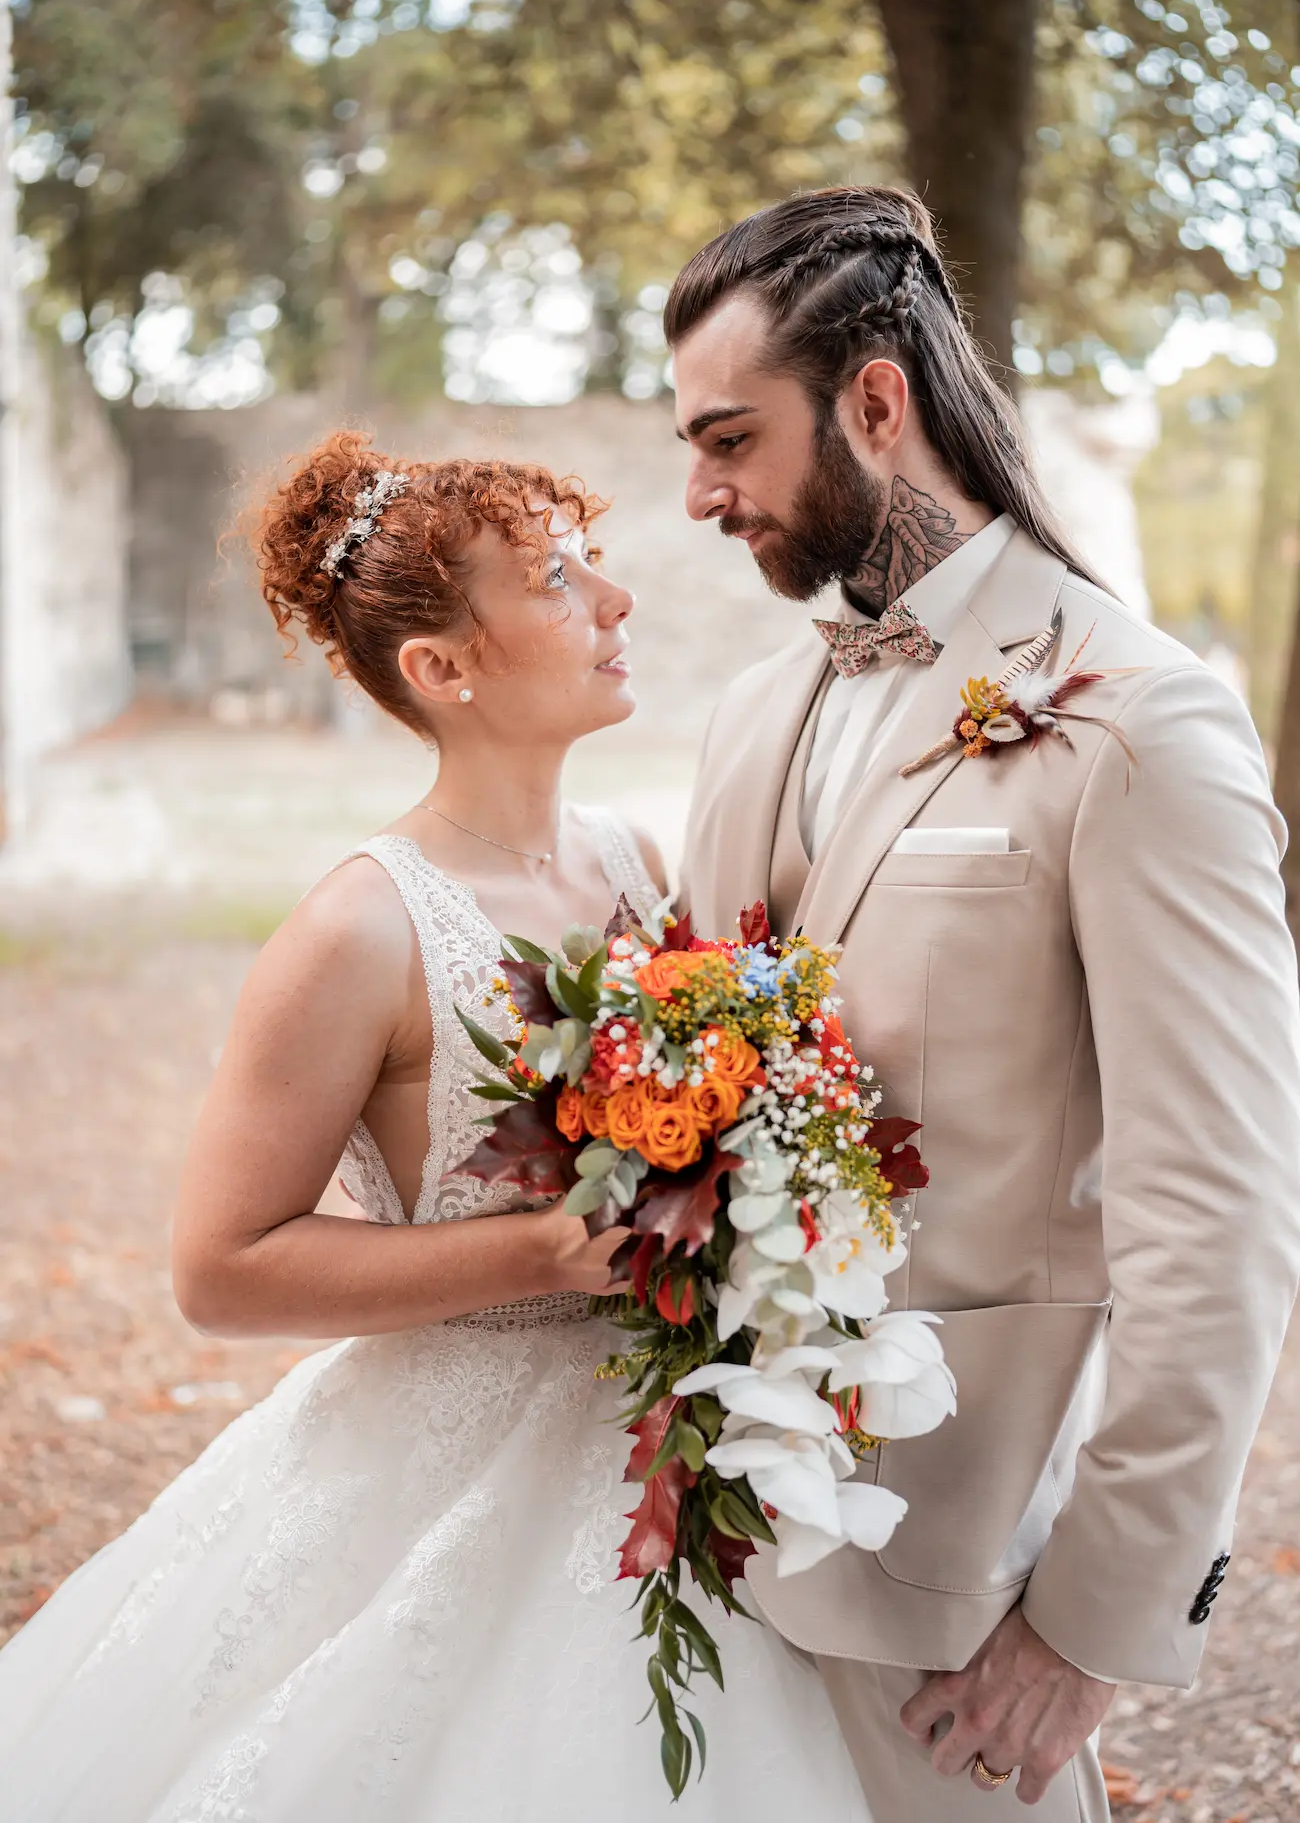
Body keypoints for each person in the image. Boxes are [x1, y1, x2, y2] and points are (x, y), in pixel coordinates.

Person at [0, 433, 871, 1822]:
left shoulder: (640, 864)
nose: (616, 602)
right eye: (557, 577)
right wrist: (541, 1251)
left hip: (674, 1455)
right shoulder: (357, 928)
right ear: (444, 670)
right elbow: (219, 1267)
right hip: (444, 1471)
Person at [668, 185, 1300, 1821]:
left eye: (731, 439)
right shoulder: (749, 713)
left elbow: (1218, 1208)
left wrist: (1095, 1617)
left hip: (958, 1586)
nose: (697, 493)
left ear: (877, 403)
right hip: (697, 1557)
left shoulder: (1142, 726)